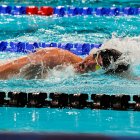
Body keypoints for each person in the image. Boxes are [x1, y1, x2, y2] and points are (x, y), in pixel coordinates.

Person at [0, 47, 130, 80]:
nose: (89, 63)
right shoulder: (56, 57)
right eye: (93, 57)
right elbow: (11, 67)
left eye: (96, 65)